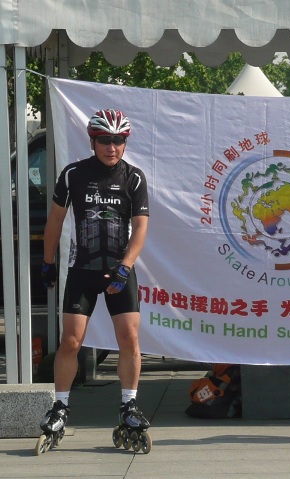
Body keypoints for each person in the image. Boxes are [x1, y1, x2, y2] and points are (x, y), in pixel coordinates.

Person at [39, 109, 150, 436]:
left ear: (125, 142)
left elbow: (141, 227)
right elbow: (55, 221)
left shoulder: (134, 177)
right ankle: (59, 407)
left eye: (118, 140)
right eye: (104, 140)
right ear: (93, 141)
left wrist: (125, 266)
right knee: (71, 341)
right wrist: (48, 263)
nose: (111, 147)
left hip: (120, 270)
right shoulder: (73, 174)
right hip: (82, 269)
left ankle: (129, 405)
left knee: (129, 338)